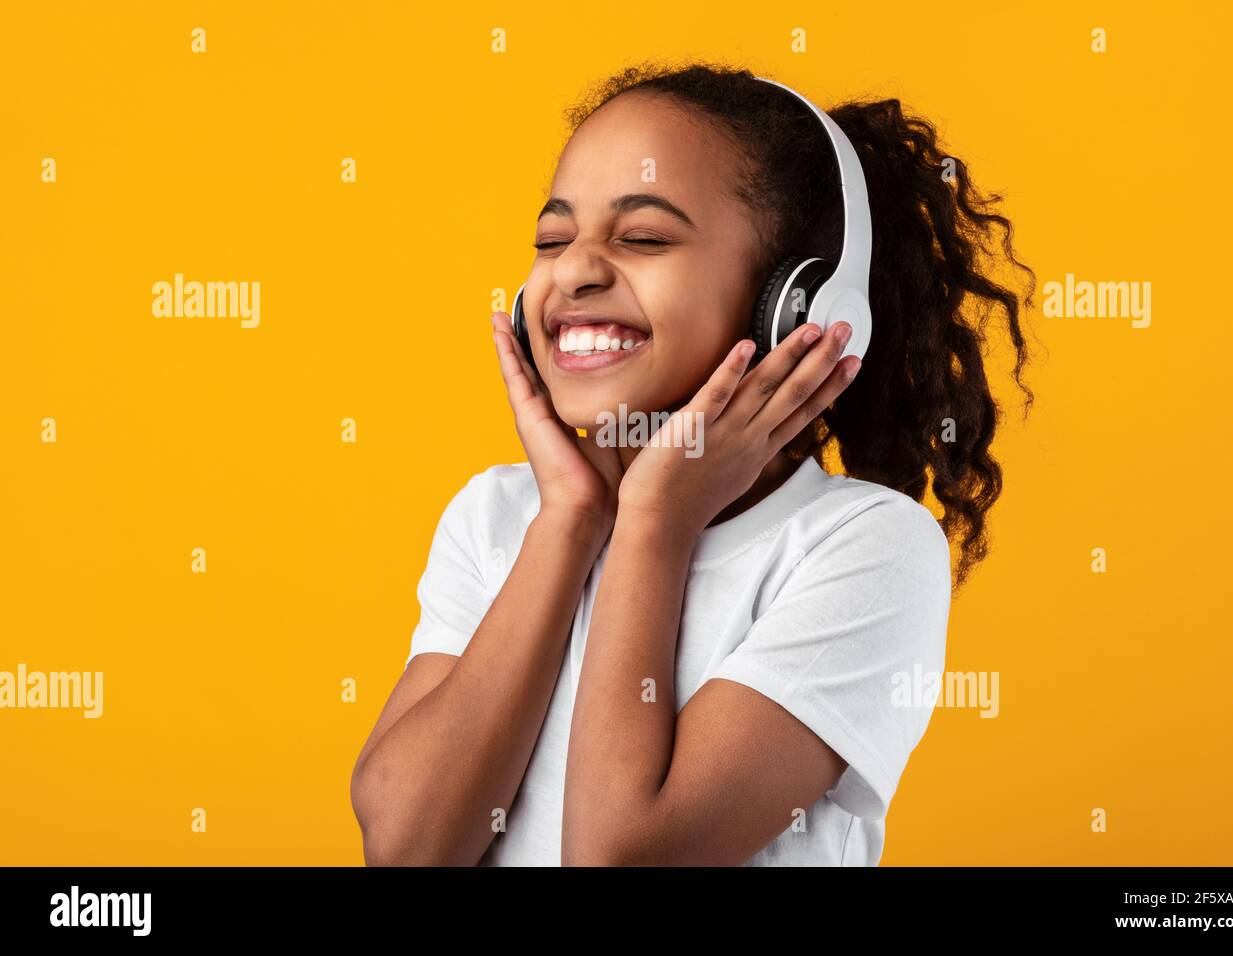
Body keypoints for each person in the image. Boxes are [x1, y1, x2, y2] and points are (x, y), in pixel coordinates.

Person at [350, 60, 1036, 866]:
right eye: (552, 238)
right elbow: (406, 849)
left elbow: (619, 854)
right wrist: (570, 522)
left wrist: (655, 523)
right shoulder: (500, 517)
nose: (573, 270)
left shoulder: (863, 547)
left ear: (793, 308)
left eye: (643, 238)